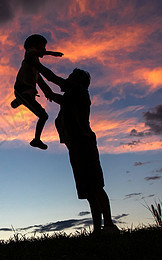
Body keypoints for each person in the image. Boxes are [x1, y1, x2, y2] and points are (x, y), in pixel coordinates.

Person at [35, 63, 120, 233]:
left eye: (71, 76)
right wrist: (35, 76)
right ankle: (98, 229)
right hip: (75, 146)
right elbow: (50, 94)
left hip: (84, 142)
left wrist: (36, 64)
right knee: (88, 189)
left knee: (95, 185)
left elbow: (54, 79)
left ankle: (109, 224)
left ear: (78, 81)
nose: (68, 79)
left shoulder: (80, 92)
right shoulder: (69, 99)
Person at [11, 34, 63, 150]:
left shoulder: (35, 67)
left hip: (27, 93)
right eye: (43, 47)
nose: (44, 49)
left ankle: (19, 101)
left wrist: (48, 93)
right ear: (34, 46)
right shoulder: (29, 57)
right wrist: (51, 53)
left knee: (44, 115)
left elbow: (42, 83)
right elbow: (32, 52)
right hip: (22, 91)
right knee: (43, 116)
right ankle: (36, 140)